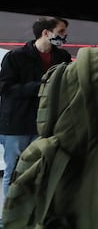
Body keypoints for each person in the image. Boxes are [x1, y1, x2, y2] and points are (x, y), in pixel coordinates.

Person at [0, 17, 72, 200]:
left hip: (47, 123)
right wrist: (41, 86)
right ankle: (8, 216)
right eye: (61, 31)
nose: (64, 36)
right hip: (18, 124)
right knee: (15, 171)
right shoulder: (16, 57)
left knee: (40, 170)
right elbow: (6, 89)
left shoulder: (62, 57)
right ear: (46, 33)